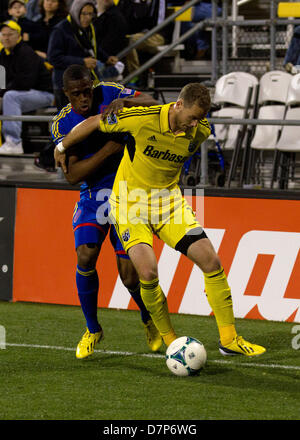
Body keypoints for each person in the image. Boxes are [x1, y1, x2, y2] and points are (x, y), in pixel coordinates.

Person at [54, 82, 266, 357]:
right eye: (193, 117)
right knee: (147, 272)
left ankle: (230, 339)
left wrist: (192, 123)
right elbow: (95, 121)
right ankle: (171, 342)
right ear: (179, 105)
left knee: (211, 261)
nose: (195, 124)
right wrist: (62, 146)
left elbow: (186, 128)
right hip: (130, 207)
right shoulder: (143, 120)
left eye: (200, 119)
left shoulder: (200, 132)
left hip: (169, 204)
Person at [51, 64, 161, 359]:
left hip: (129, 191)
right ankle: (92, 328)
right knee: (86, 253)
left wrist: (127, 102)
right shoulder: (62, 123)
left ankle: (147, 318)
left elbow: (152, 101)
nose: (85, 98)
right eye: (77, 94)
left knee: (129, 277)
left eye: (87, 90)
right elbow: (73, 175)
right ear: (67, 94)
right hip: (93, 195)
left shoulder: (109, 92)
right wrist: (108, 151)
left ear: (93, 85)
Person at [47, 0, 124, 111]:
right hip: (66, 85)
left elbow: (91, 47)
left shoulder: (88, 28)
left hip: (84, 83)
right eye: (84, 13)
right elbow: (53, 58)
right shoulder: (60, 30)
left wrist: (106, 58)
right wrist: (82, 62)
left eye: (90, 14)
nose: (87, 18)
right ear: (76, 12)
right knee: (70, 123)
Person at [0, 20, 54, 154]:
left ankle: (14, 142)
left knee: (10, 97)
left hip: (44, 95)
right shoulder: (3, 54)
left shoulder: (26, 52)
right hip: (21, 93)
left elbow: (25, 83)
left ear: (18, 35)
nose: (6, 37)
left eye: (10, 34)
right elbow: (1, 80)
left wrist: (3, 94)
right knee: (8, 96)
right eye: (3, 34)